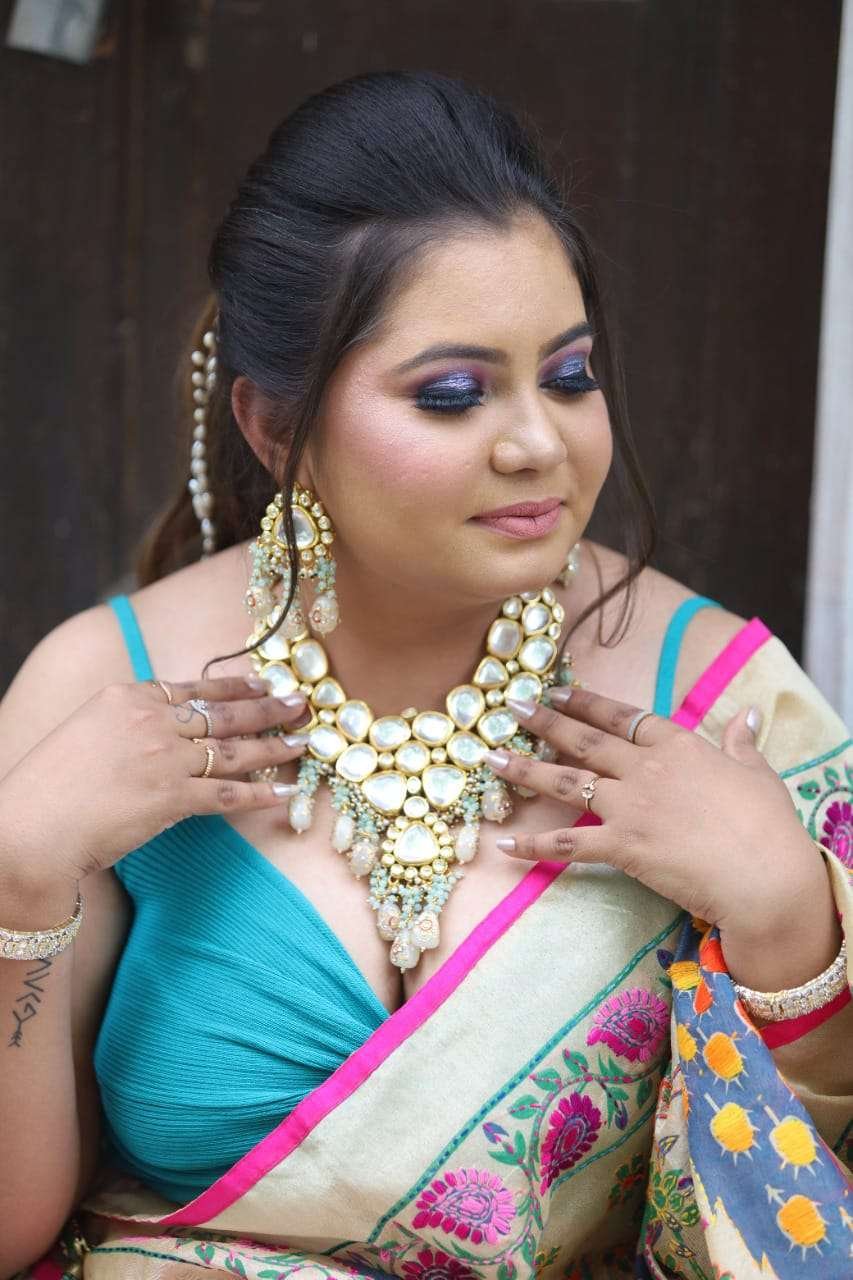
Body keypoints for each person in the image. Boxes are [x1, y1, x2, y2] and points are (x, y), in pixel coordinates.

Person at [0, 70, 849, 1280]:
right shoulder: (101, 695)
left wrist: (785, 921)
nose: (539, 441)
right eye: (452, 395)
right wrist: (20, 872)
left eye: (570, 375)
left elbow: (801, 1221)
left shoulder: (715, 696)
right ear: (275, 429)